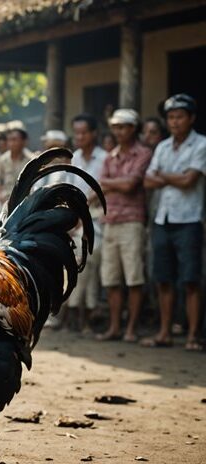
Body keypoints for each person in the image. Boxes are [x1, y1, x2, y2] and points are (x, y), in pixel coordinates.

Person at [142, 94, 205, 351]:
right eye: (171, 117)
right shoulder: (163, 147)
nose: (174, 121)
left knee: (190, 280)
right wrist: (174, 177)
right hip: (162, 219)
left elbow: (189, 181)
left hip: (189, 219)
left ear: (191, 118)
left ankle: (192, 335)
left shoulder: (201, 144)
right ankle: (165, 332)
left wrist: (163, 177)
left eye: (179, 116)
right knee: (163, 279)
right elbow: (147, 181)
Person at [96, 108, 153, 343]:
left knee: (134, 279)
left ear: (133, 128)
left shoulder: (144, 153)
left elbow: (131, 185)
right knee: (111, 279)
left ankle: (130, 328)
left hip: (132, 221)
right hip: (111, 221)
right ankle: (115, 327)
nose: (118, 132)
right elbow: (102, 185)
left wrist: (110, 183)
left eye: (123, 127)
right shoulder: (111, 156)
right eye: (115, 127)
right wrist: (113, 184)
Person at [63, 113, 108, 334]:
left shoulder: (105, 157)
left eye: (83, 132)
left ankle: (82, 315)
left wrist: (82, 216)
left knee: (89, 264)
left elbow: (100, 191)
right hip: (76, 219)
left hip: (98, 219)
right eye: (76, 132)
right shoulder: (76, 158)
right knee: (78, 265)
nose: (79, 136)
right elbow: (70, 189)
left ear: (93, 134)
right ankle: (78, 316)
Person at [0, 122, 34, 214]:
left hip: (24, 203)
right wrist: (0, 196)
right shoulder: (3, 159)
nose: (11, 143)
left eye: (15, 140)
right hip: (5, 201)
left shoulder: (31, 160)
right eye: (9, 140)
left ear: (24, 141)